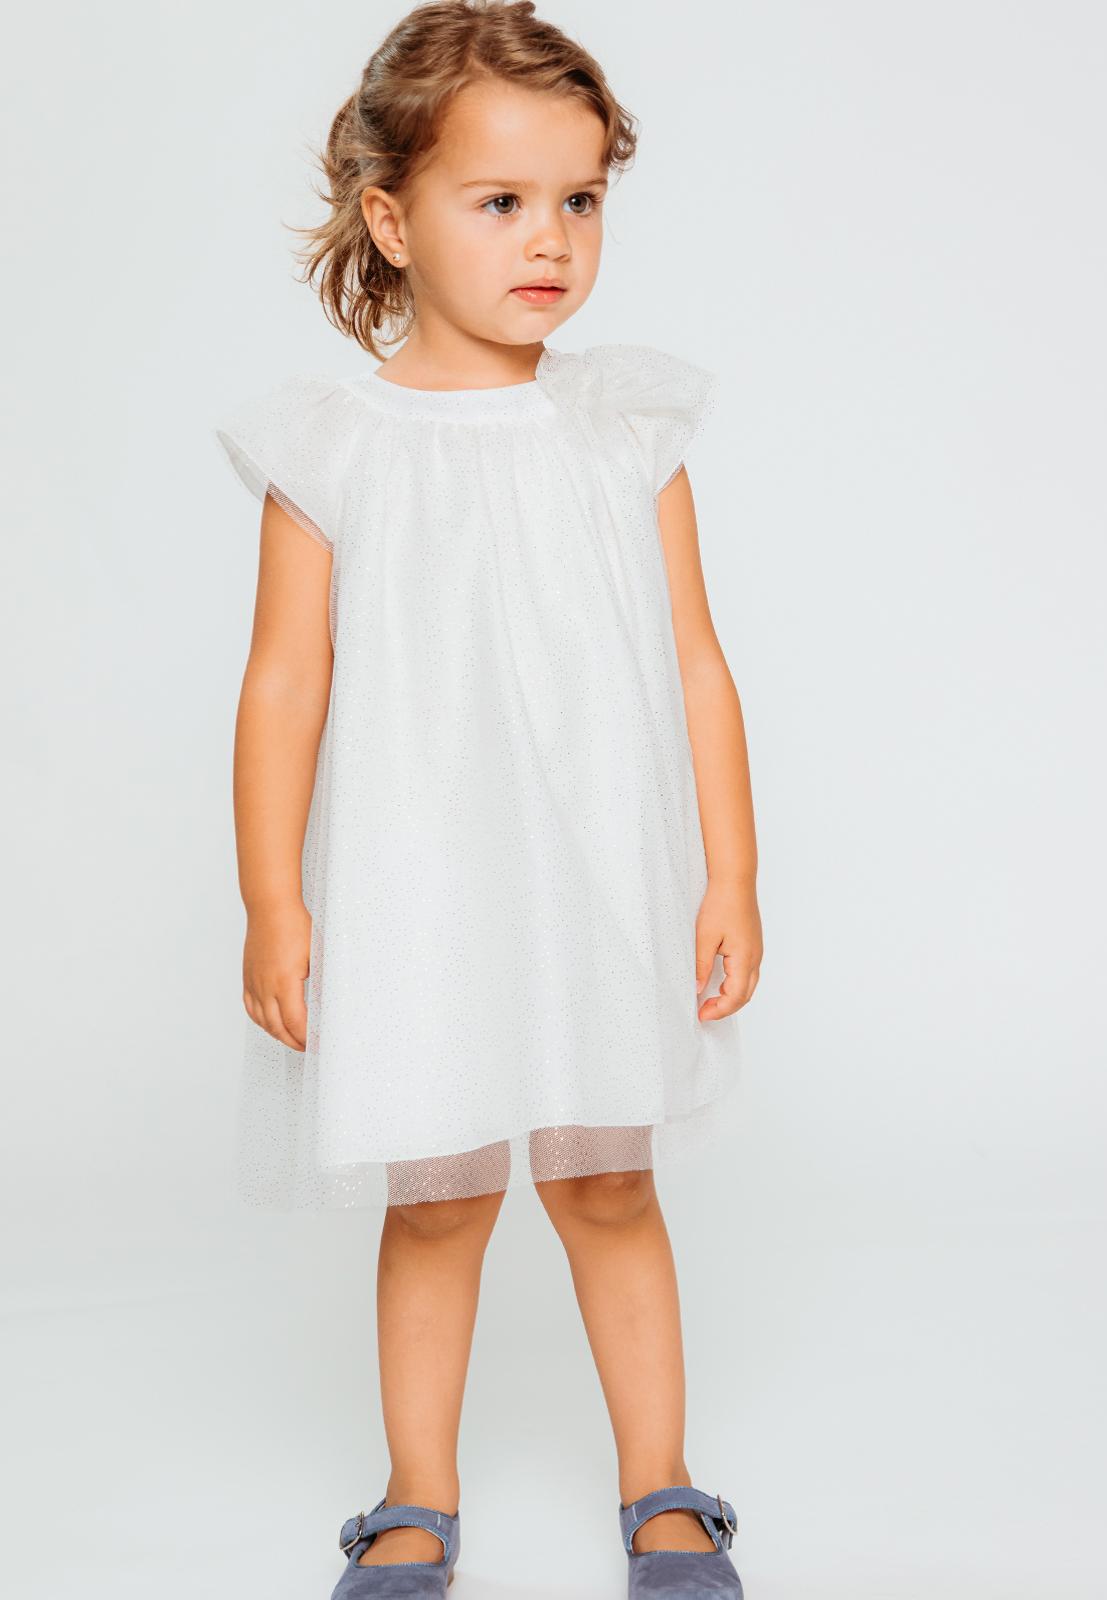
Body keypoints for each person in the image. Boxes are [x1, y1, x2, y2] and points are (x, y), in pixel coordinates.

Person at [213, 4, 760, 1595]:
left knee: (606, 1181)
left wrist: (730, 876)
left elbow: (699, 662)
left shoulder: (622, 429)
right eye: (502, 200)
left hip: (594, 874)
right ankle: (416, 1496)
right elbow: (283, 687)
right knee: (440, 1200)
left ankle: (662, 1485)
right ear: (393, 220)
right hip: (422, 882)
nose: (551, 239)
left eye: (580, 200)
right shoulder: (337, 447)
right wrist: (272, 898)